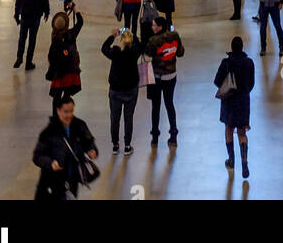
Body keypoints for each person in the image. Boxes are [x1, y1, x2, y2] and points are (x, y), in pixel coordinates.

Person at [33, 94, 98, 200]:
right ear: (58, 111)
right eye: (66, 112)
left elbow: (88, 141)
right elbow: (37, 156)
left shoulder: (79, 125)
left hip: (72, 178)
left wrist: (92, 150)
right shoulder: (49, 132)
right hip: (54, 181)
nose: (69, 115)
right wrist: (50, 163)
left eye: (71, 111)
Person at [215, 36, 255, 177]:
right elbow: (251, 83)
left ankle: (231, 160)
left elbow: (217, 81)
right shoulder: (249, 63)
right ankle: (245, 164)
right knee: (242, 132)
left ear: (231, 48)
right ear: (242, 47)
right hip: (243, 101)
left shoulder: (226, 63)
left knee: (229, 128)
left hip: (229, 101)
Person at [100, 26, 143, 154]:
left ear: (121, 40)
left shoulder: (115, 52)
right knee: (128, 118)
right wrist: (132, 34)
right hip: (131, 90)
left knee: (115, 118)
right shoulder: (134, 52)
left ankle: (115, 145)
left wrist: (113, 35)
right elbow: (140, 46)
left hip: (115, 91)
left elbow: (103, 48)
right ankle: (127, 146)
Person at [143, 13, 184, 146]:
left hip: (157, 78)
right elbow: (180, 52)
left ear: (160, 27)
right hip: (172, 76)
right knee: (169, 104)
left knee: (156, 107)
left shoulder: (154, 40)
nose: (152, 27)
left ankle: (155, 136)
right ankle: (173, 134)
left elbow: (147, 54)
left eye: (154, 25)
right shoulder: (175, 35)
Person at [14, 0, 50, 69]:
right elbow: (45, 1)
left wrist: (17, 16)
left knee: (22, 38)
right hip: (35, 17)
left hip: (25, 17)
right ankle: (28, 62)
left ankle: (19, 57)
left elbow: (18, 3)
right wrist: (46, 13)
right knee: (32, 40)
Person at [46, 8, 83, 100]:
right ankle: (64, 112)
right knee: (67, 94)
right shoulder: (71, 34)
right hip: (70, 70)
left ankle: (56, 113)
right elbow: (80, 23)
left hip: (59, 71)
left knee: (57, 95)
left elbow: (51, 56)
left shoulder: (54, 36)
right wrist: (76, 10)